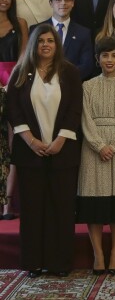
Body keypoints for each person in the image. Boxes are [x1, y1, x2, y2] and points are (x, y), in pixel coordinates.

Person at [6, 24, 83, 277]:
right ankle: (33, 263)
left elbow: (74, 109)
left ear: (57, 44)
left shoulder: (69, 72)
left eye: (50, 41)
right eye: (41, 41)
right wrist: (30, 140)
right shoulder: (21, 72)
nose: (46, 45)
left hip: (63, 150)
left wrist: (61, 140)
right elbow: (13, 110)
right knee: (32, 209)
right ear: (34, 45)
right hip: (30, 153)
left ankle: (60, 263)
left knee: (61, 208)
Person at [77, 36, 115, 275]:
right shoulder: (87, 86)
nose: (110, 60)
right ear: (97, 59)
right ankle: (98, 254)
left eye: (114, 55)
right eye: (105, 55)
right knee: (94, 203)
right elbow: (85, 118)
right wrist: (99, 145)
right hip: (93, 150)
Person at [0, 0, 28, 220]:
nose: (5, 0)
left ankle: (8, 204)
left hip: (13, 84)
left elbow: (24, 57)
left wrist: (10, 83)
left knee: (12, 145)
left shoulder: (20, 24)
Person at [32, 0, 93, 80]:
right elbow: (31, 60)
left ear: (73, 3)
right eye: (58, 0)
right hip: (41, 84)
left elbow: (86, 66)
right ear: (51, 3)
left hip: (71, 87)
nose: (63, 3)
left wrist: (64, 79)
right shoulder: (36, 30)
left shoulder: (83, 33)